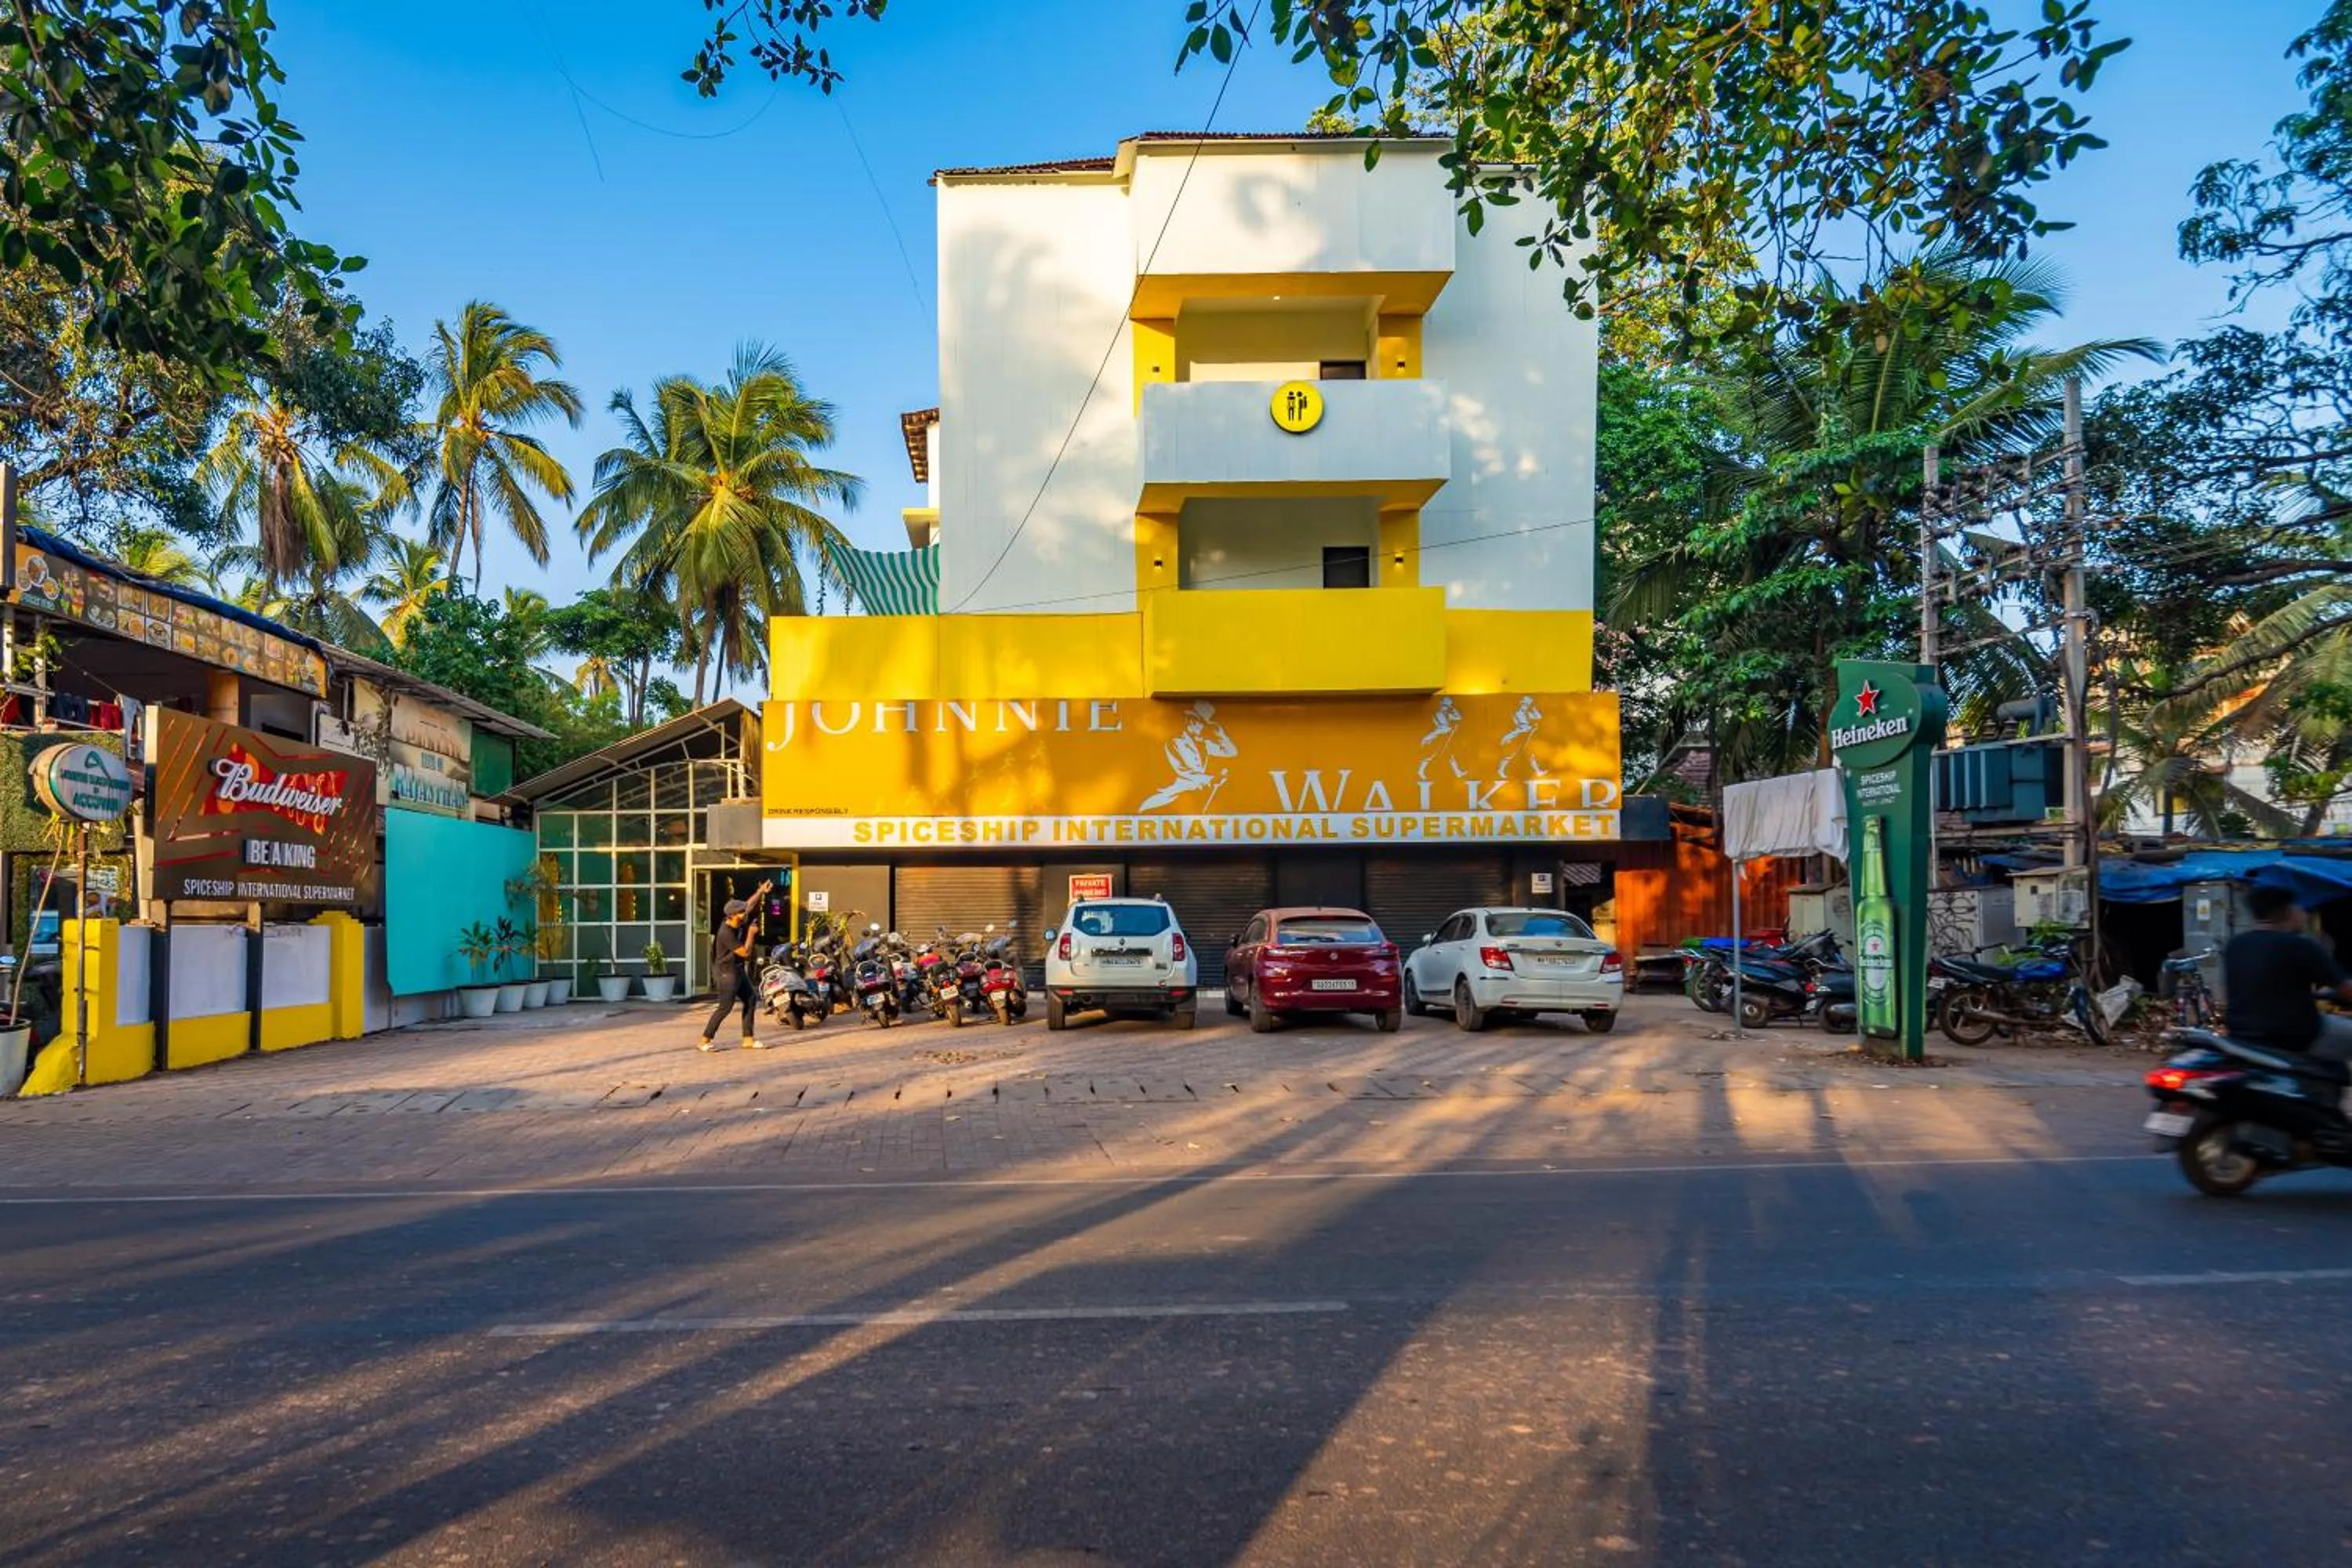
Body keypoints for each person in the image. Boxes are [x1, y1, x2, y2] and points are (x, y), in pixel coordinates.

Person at [2221, 884, 2352, 1061]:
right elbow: (2345, 990)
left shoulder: (2236, 944)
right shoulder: (2299, 946)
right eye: (2300, 908)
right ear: (2288, 911)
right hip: (2296, 1036)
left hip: (2243, 1035)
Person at [697, 890, 767, 1053]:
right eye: (742, 912)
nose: (745, 913)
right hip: (726, 973)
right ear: (734, 915)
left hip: (737, 970)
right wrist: (750, 934)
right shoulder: (726, 933)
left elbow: (749, 904)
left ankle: (748, 1039)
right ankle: (704, 1040)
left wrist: (761, 891)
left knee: (750, 999)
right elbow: (745, 953)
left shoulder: (738, 921)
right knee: (725, 1007)